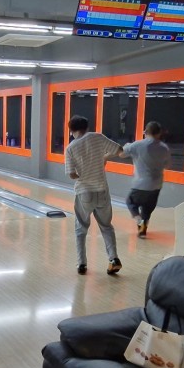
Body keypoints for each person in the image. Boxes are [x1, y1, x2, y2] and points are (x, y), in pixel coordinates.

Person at [64, 116, 125, 276]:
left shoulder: (70, 148)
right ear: (87, 127)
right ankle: (113, 259)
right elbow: (119, 150)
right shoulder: (97, 137)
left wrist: (82, 175)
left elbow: (71, 174)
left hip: (84, 192)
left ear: (71, 130)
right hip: (102, 191)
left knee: (81, 229)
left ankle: (81, 263)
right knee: (106, 226)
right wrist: (103, 158)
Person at [124, 121, 172, 238]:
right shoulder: (164, 148)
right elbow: (167, 165)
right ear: (159, 133)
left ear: (145, 132)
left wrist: (127, 146)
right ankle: (142, 231)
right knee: (147, 210)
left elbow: (122, 154)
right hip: (156, 185)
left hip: (140, 184)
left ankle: (138, 220)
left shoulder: (137, 145)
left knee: (130, 202)